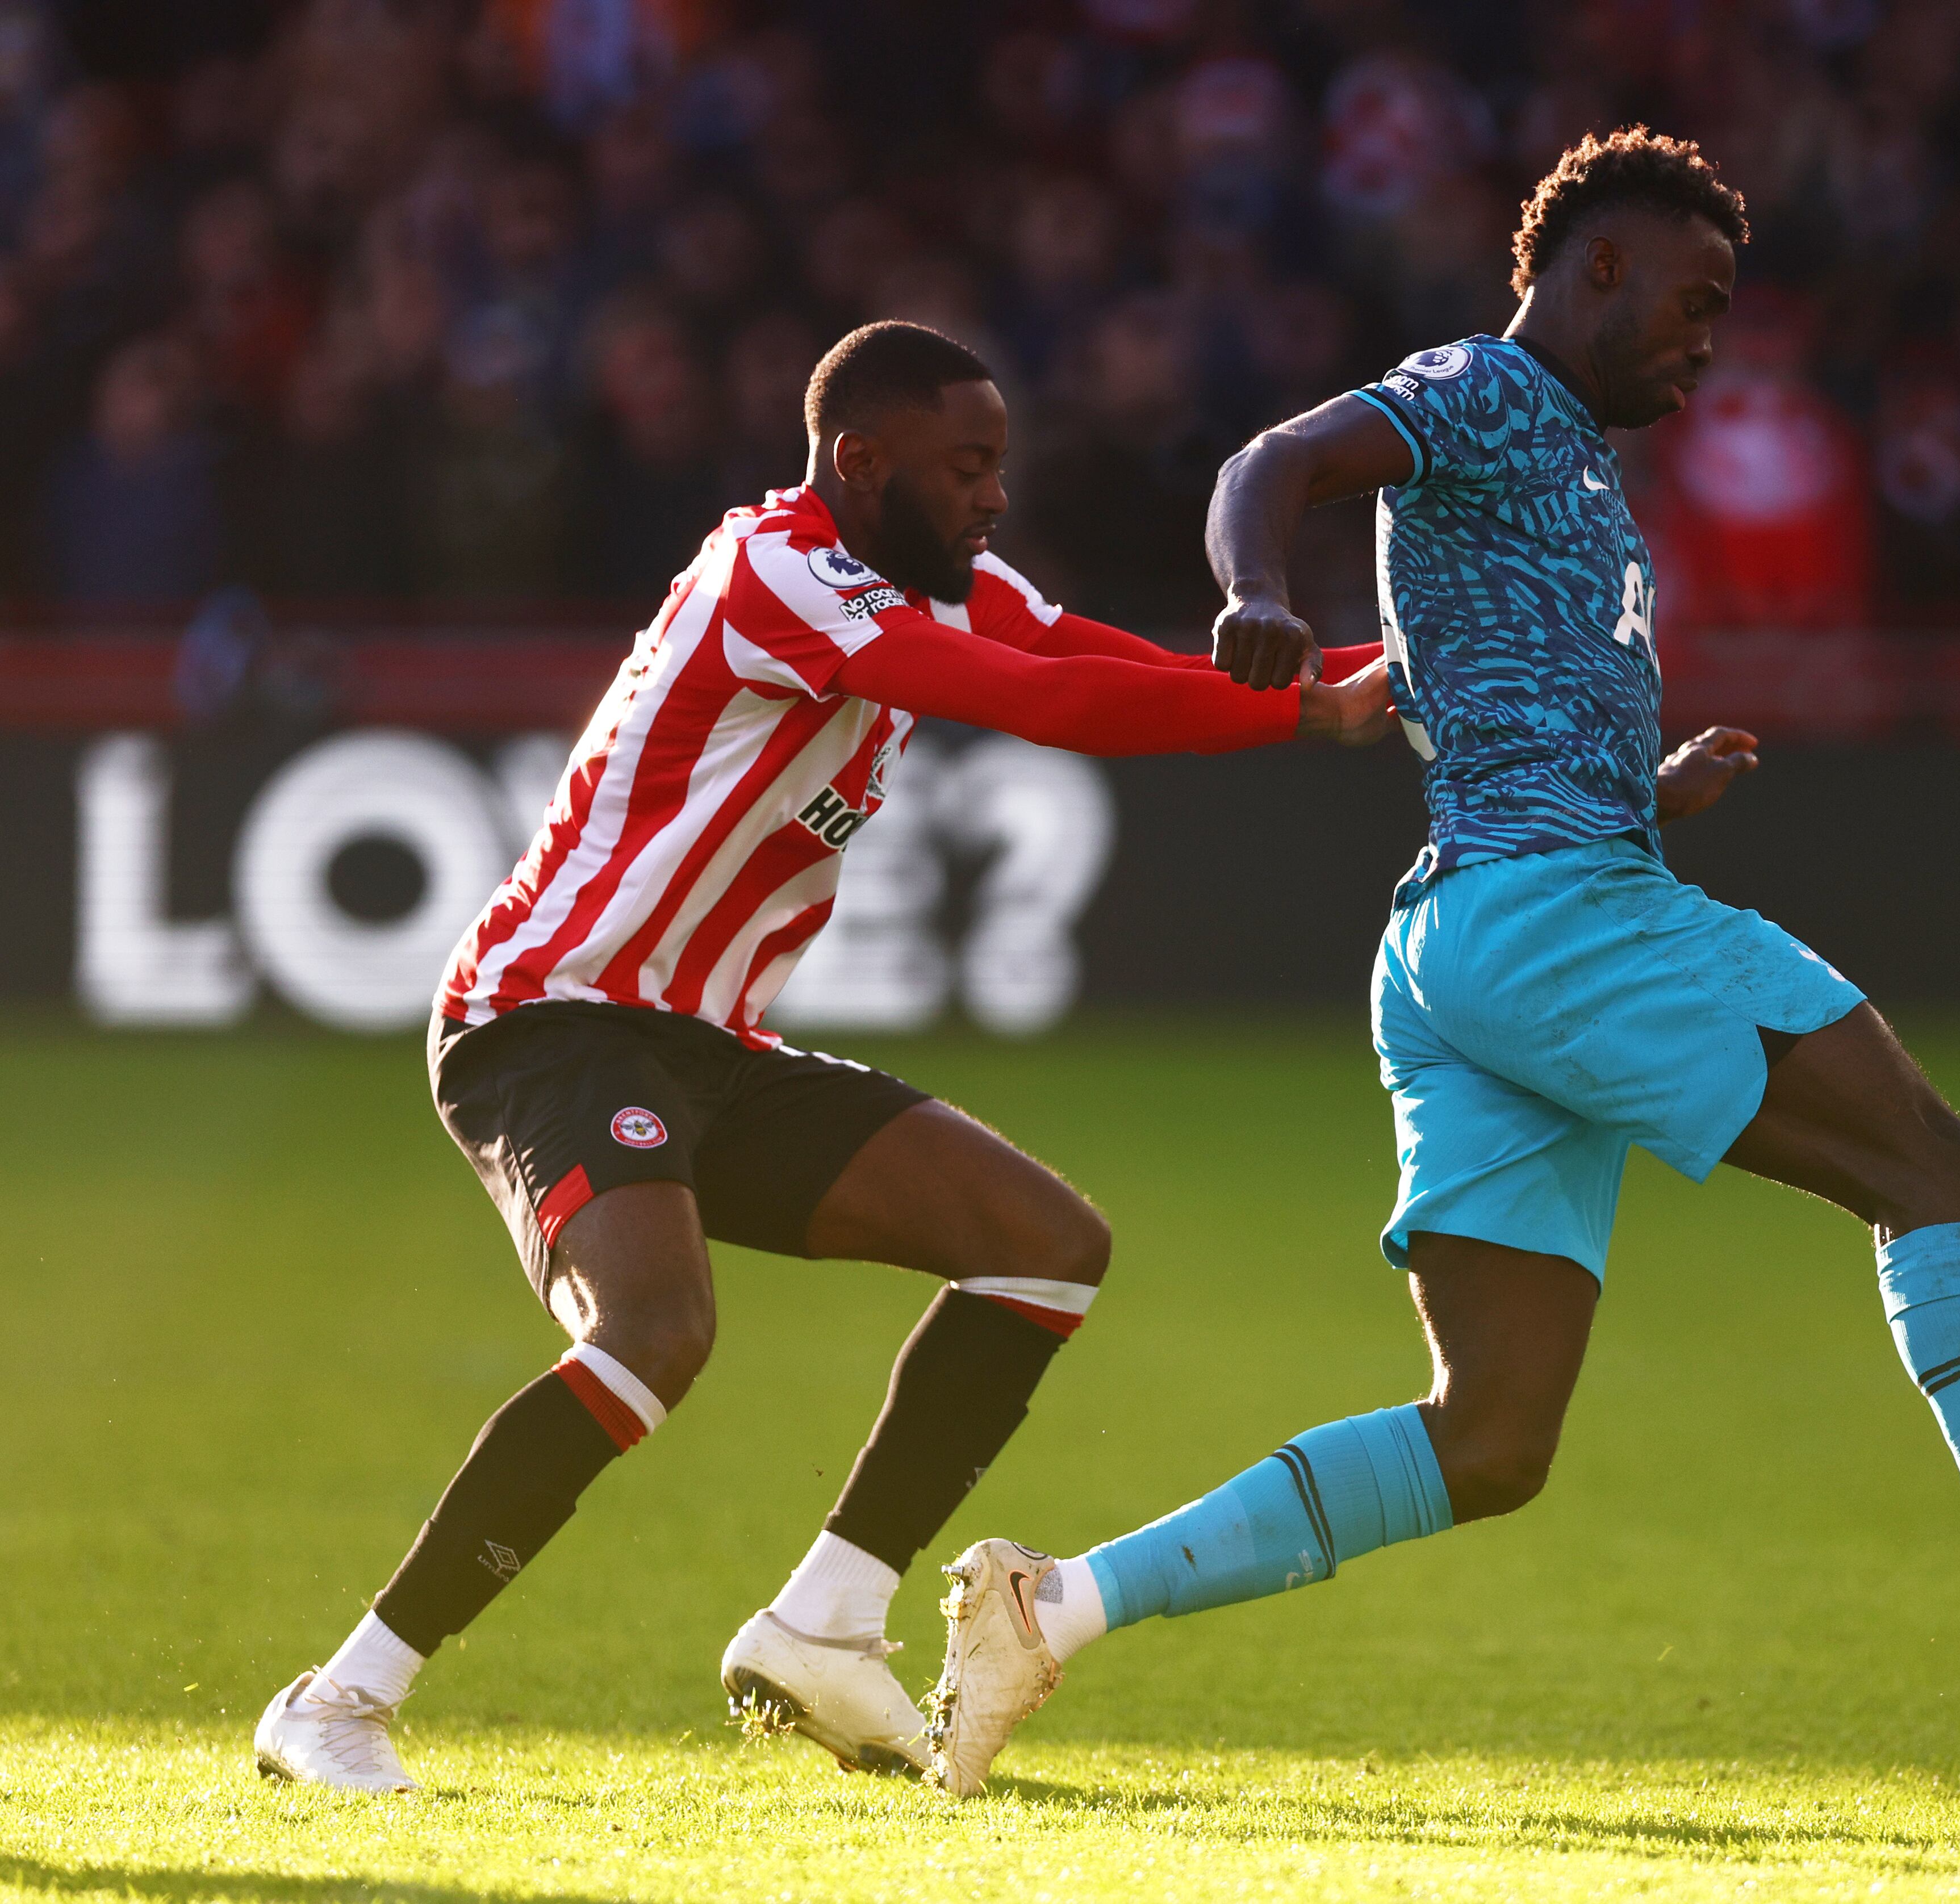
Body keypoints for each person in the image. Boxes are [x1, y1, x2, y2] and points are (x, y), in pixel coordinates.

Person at [917, 131, 1960, 1797]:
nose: (1707, 341)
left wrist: (1647, 787)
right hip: (1553, 913)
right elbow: (1267, 461)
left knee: (1487, 1437)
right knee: (1936, 1168)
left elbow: (1499, 694)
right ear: (1599, 270)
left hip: (1463, 939)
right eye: (1694, 302)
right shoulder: (1483, 391)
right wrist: (1257, 595)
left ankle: (1049, 1610)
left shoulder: (1574, 462)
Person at [250, 320, 1393, 1794]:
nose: (994, 497)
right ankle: (337, 1699)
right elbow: (1041, 700)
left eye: (1001, 464)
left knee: (1044, 1246)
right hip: (552, 1016)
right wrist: (1301, 713)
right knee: (654, 1331)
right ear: (861, 461)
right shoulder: (778, 571)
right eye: (966, 467)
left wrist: (1383, 668)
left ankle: (826, 1624)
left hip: (707, 1042)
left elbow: (1067, 647)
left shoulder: (936, 575)